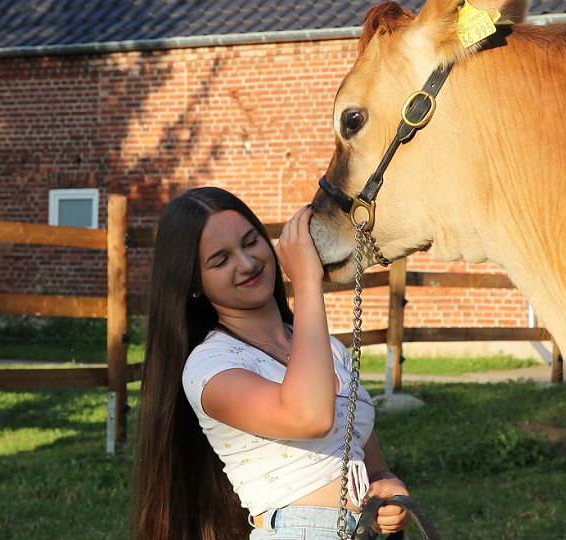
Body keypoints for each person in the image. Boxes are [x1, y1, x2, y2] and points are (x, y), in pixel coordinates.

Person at [134, 187, 409, 540]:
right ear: (193, 285)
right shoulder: (208, 368)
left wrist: (390, 491)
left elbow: (374, 470)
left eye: (251, 242)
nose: (247, 264)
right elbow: (309, 416)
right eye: (220, 261)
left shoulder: (326, 350)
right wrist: (308, 282)